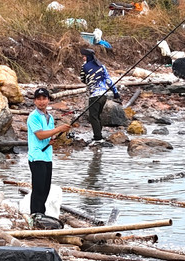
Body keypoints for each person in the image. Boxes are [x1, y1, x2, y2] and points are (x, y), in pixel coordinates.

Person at [26, 87, 70, 222]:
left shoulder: (49, 117)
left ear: (48, 100)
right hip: (36, 157)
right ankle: (35, 216)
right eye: (38, 99)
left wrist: (52, 140)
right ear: (34, 101)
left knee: (45, 189)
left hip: (47, 157)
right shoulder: (33, 117)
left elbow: (48, 134)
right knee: (38, 189)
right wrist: (59, 129)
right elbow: (39, 135)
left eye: (44, 98)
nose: (41, 102)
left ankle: (42, 215)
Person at [79, 48, 119, 144]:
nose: (83, 58)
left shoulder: (84, 67)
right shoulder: (102, 66)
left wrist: (89, 81)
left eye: (84, 56)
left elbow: (82, 79)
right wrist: (115, 92)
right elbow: (108, 80)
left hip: (94, 96)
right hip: (103, 96)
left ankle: (98, 138)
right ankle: (99, 135)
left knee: (93, 117)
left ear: (87, 57)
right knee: (98, 116)